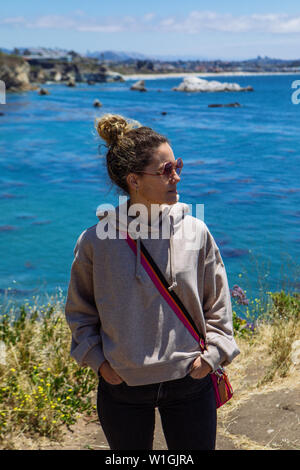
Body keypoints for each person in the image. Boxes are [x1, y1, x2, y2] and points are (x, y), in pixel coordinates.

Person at [64, 113, 240, 450]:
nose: (177, 177)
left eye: (178, 166)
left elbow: (217, 302)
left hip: (191, 382)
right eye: (166, 171)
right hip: (123, 387)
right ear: (133, 179)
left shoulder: (195, 231)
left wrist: (213, 356)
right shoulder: (96, 241)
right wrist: (100, 363)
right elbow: (79, 311)